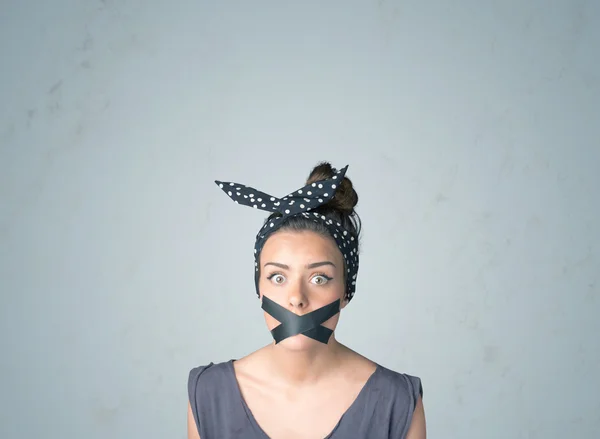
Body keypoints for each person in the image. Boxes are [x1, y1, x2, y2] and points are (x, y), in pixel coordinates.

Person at [187, 162, 426, 439]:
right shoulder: (208, 394)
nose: (296, 299)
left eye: (319, 278)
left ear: (346, 291)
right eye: (277, 277)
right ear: (258, 289)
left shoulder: (397, 401)